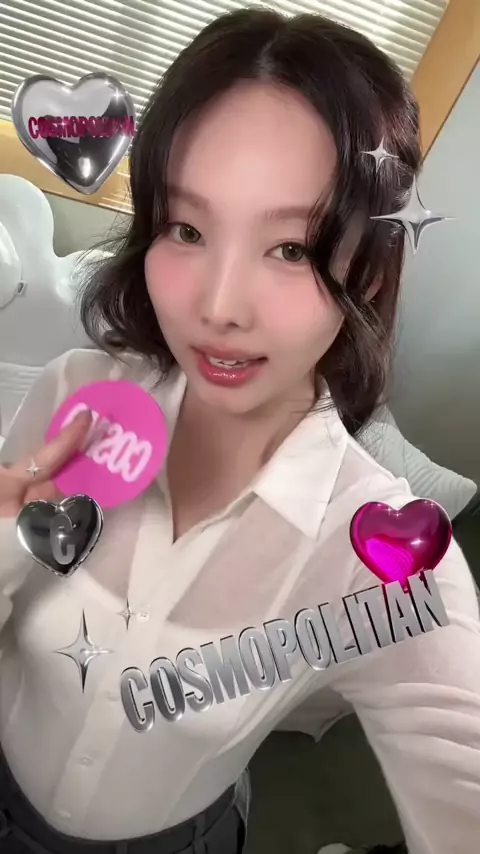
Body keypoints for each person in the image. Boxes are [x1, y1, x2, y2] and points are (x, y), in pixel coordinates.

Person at [0, 8, 479, 854]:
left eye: (293, 248)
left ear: (369, 268)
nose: (218, 307)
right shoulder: (78, 393)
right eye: (186, 230)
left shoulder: (382, 550)